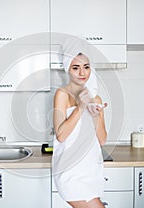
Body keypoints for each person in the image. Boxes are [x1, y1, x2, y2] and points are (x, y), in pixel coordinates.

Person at [52, 49, 107, 208]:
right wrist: (81, 107)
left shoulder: (96, 98)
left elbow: (102, 140)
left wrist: (96, 115)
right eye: (76, 67)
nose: (82, 72)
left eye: (86, 67)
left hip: (89, 171)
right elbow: (61, 136)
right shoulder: (62, 94)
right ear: (68, 69)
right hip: (70, 172)